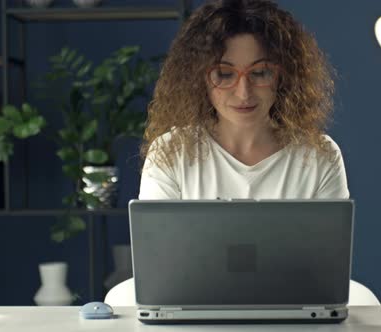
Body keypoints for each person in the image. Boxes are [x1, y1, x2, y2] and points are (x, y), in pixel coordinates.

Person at [139, 0, 349, 200]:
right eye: (224, 74)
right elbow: (157, 238)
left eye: (259, 73)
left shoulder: (320, 157)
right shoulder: (171, 153)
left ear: (283, 76)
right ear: (198, 78)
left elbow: (330, 239)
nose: (244, 93)